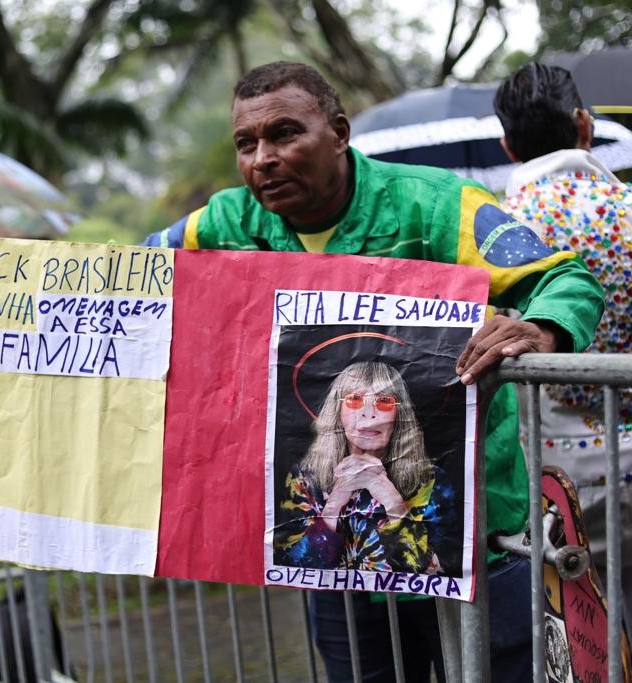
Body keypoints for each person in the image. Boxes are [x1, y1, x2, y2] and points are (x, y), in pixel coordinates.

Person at [141, 61, 604, 683]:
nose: (263, 159)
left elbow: (564, 277)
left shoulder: (439, 205)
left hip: (472, 543)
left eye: (284, 134)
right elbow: (132, 277)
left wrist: (540, 327)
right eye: (246, 144)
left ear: (338, 131)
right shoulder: (226, 223)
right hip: (338, 561)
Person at [495, 63, 632, 655]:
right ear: (585, 126)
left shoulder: (491, 228)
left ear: (507, 144)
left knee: (577, 656)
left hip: (556, 487)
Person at [276, 361, 447, 574]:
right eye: (355, 400)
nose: (368, 413)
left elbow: (434, 571)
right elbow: (293, 568)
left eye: (384, 401)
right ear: (337, 412)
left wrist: (393, 503)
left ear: (399, 415)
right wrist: (333, 507)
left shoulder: (431, 479)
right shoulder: (304, 479)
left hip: (404, 601)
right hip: (339, 603)